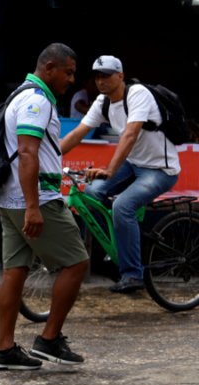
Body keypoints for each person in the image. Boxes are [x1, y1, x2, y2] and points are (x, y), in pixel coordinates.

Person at [0, 42, 89, 371]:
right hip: (35, 200)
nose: (72, 79)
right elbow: (28, 152)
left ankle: (4, 350)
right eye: (68, 72)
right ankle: (48, 340)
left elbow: (41, 150)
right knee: (76, 264)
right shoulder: (37, 100)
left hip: (9, 198)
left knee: (15, 271)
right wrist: (33, 206)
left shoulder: (20, 94)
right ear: (49, 68)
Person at [60, 55, 181, 293]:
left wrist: (110, 169)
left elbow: (130, 134)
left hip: (160, 170)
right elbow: (78, 132)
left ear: (121, 76)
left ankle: (132, 274)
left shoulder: (137, 94)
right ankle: (118, 244)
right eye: (97, 76)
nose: (101, 81)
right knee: (93, 193)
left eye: (106, 75)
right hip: (134, 164)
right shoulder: (103, 102)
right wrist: (50, 156)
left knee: (122, 206)